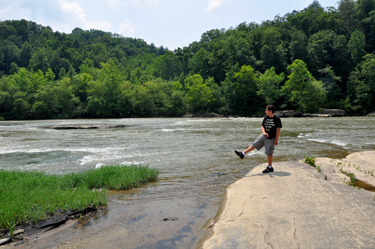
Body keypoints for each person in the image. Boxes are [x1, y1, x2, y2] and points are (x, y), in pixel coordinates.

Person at [235, 105, 282, 173]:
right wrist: (264, 132)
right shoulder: (266, 118)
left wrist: (276, 140)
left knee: (269, 153)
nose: (265, 111)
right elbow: (262, 126)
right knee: (255, 144)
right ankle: (242, 153)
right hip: (263, 135)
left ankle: (270, 167)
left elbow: (278, 129)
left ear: (270, 111)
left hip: (271, 138)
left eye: (266, 110)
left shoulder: (276, 118)